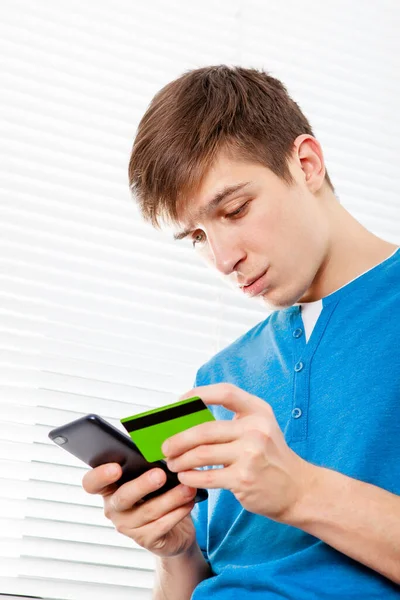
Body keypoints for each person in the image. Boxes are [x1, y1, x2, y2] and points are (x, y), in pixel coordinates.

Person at [82, 66, 400, 599]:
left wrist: (301, 492)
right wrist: (177, 550)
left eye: (236, 209)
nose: (224, 259)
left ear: (306, 164)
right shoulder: (222, 376)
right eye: (197, 237)